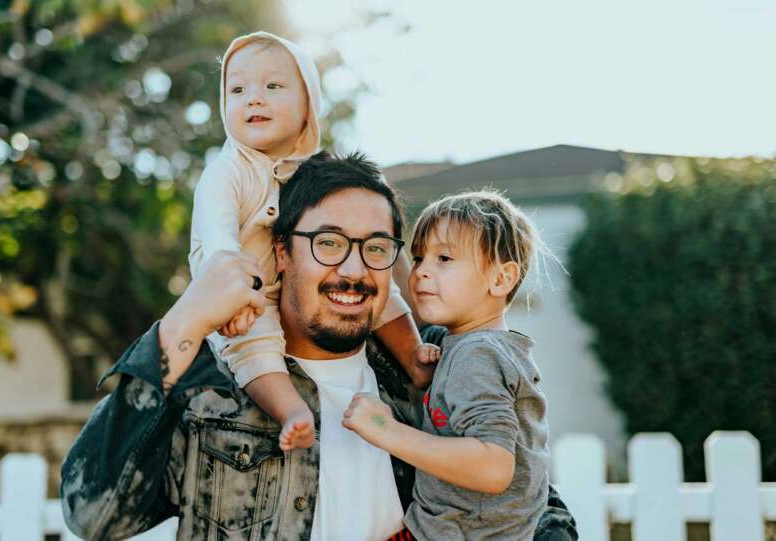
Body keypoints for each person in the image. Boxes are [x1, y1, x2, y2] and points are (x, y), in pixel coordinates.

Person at [60, 152, 577, 540]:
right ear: (282, 253)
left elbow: (530, 495)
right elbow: (93, 515)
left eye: (375, 249)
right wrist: (182, 323)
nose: (353, 270)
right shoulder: (210, 383)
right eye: (328, 243)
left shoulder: (431, 364)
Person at [189, 31, 436, 452]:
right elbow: (219, 244)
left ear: (309, 106)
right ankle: (291, 410)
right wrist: (234, 300)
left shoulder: (317, 174)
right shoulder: (227, 172)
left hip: (285, 286)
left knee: (380, 287)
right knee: (255, 347)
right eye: (237, 89)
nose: (253, 99)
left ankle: (414, 357)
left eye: (272, 86)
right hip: (240, 292)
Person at [344, 191, 552, 540]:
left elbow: (493, 467)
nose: (421, 271)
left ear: (501, 279)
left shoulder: (477, 355)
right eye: (419, 257)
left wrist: (386, 430)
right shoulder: (478, 348)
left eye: (443, 258)